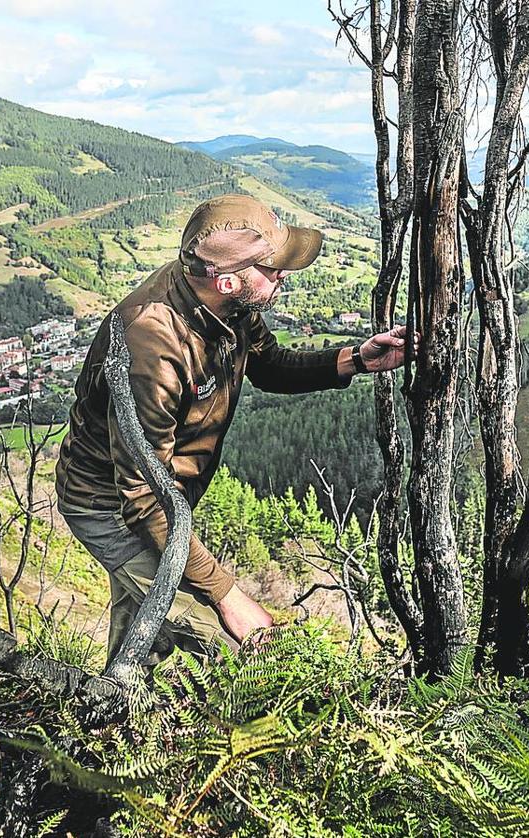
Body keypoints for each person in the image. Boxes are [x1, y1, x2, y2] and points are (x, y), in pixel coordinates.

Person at [54, 193, 410, 667]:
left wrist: (355, 359)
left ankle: (113, 714)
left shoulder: (227, 304)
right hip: (113, 509)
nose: (284, 275)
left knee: (142, 626)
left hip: (160, 501)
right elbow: (142, 497)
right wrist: (228, 597)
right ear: (225, 279)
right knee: (235, 647)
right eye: (274, 269)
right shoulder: (152, 345)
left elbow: (269, 365)